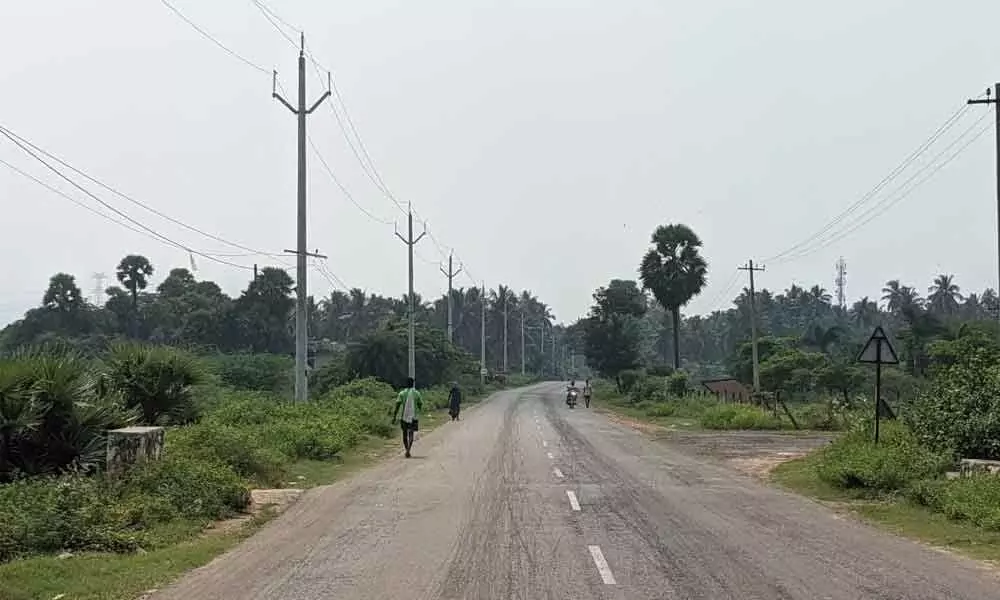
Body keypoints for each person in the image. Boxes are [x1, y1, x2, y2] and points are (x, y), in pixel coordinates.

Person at [392, 377, 423, 458]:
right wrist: (418, 409)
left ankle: (406, 450)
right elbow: (420, 403)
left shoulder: (402, 393)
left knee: (404, 434)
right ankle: (409, 449)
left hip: (404, 417)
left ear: (406, 384)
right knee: (411, 433)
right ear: (413, 384)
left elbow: (397, 405)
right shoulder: (417, 393)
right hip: (414, 417)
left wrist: (394, 416)